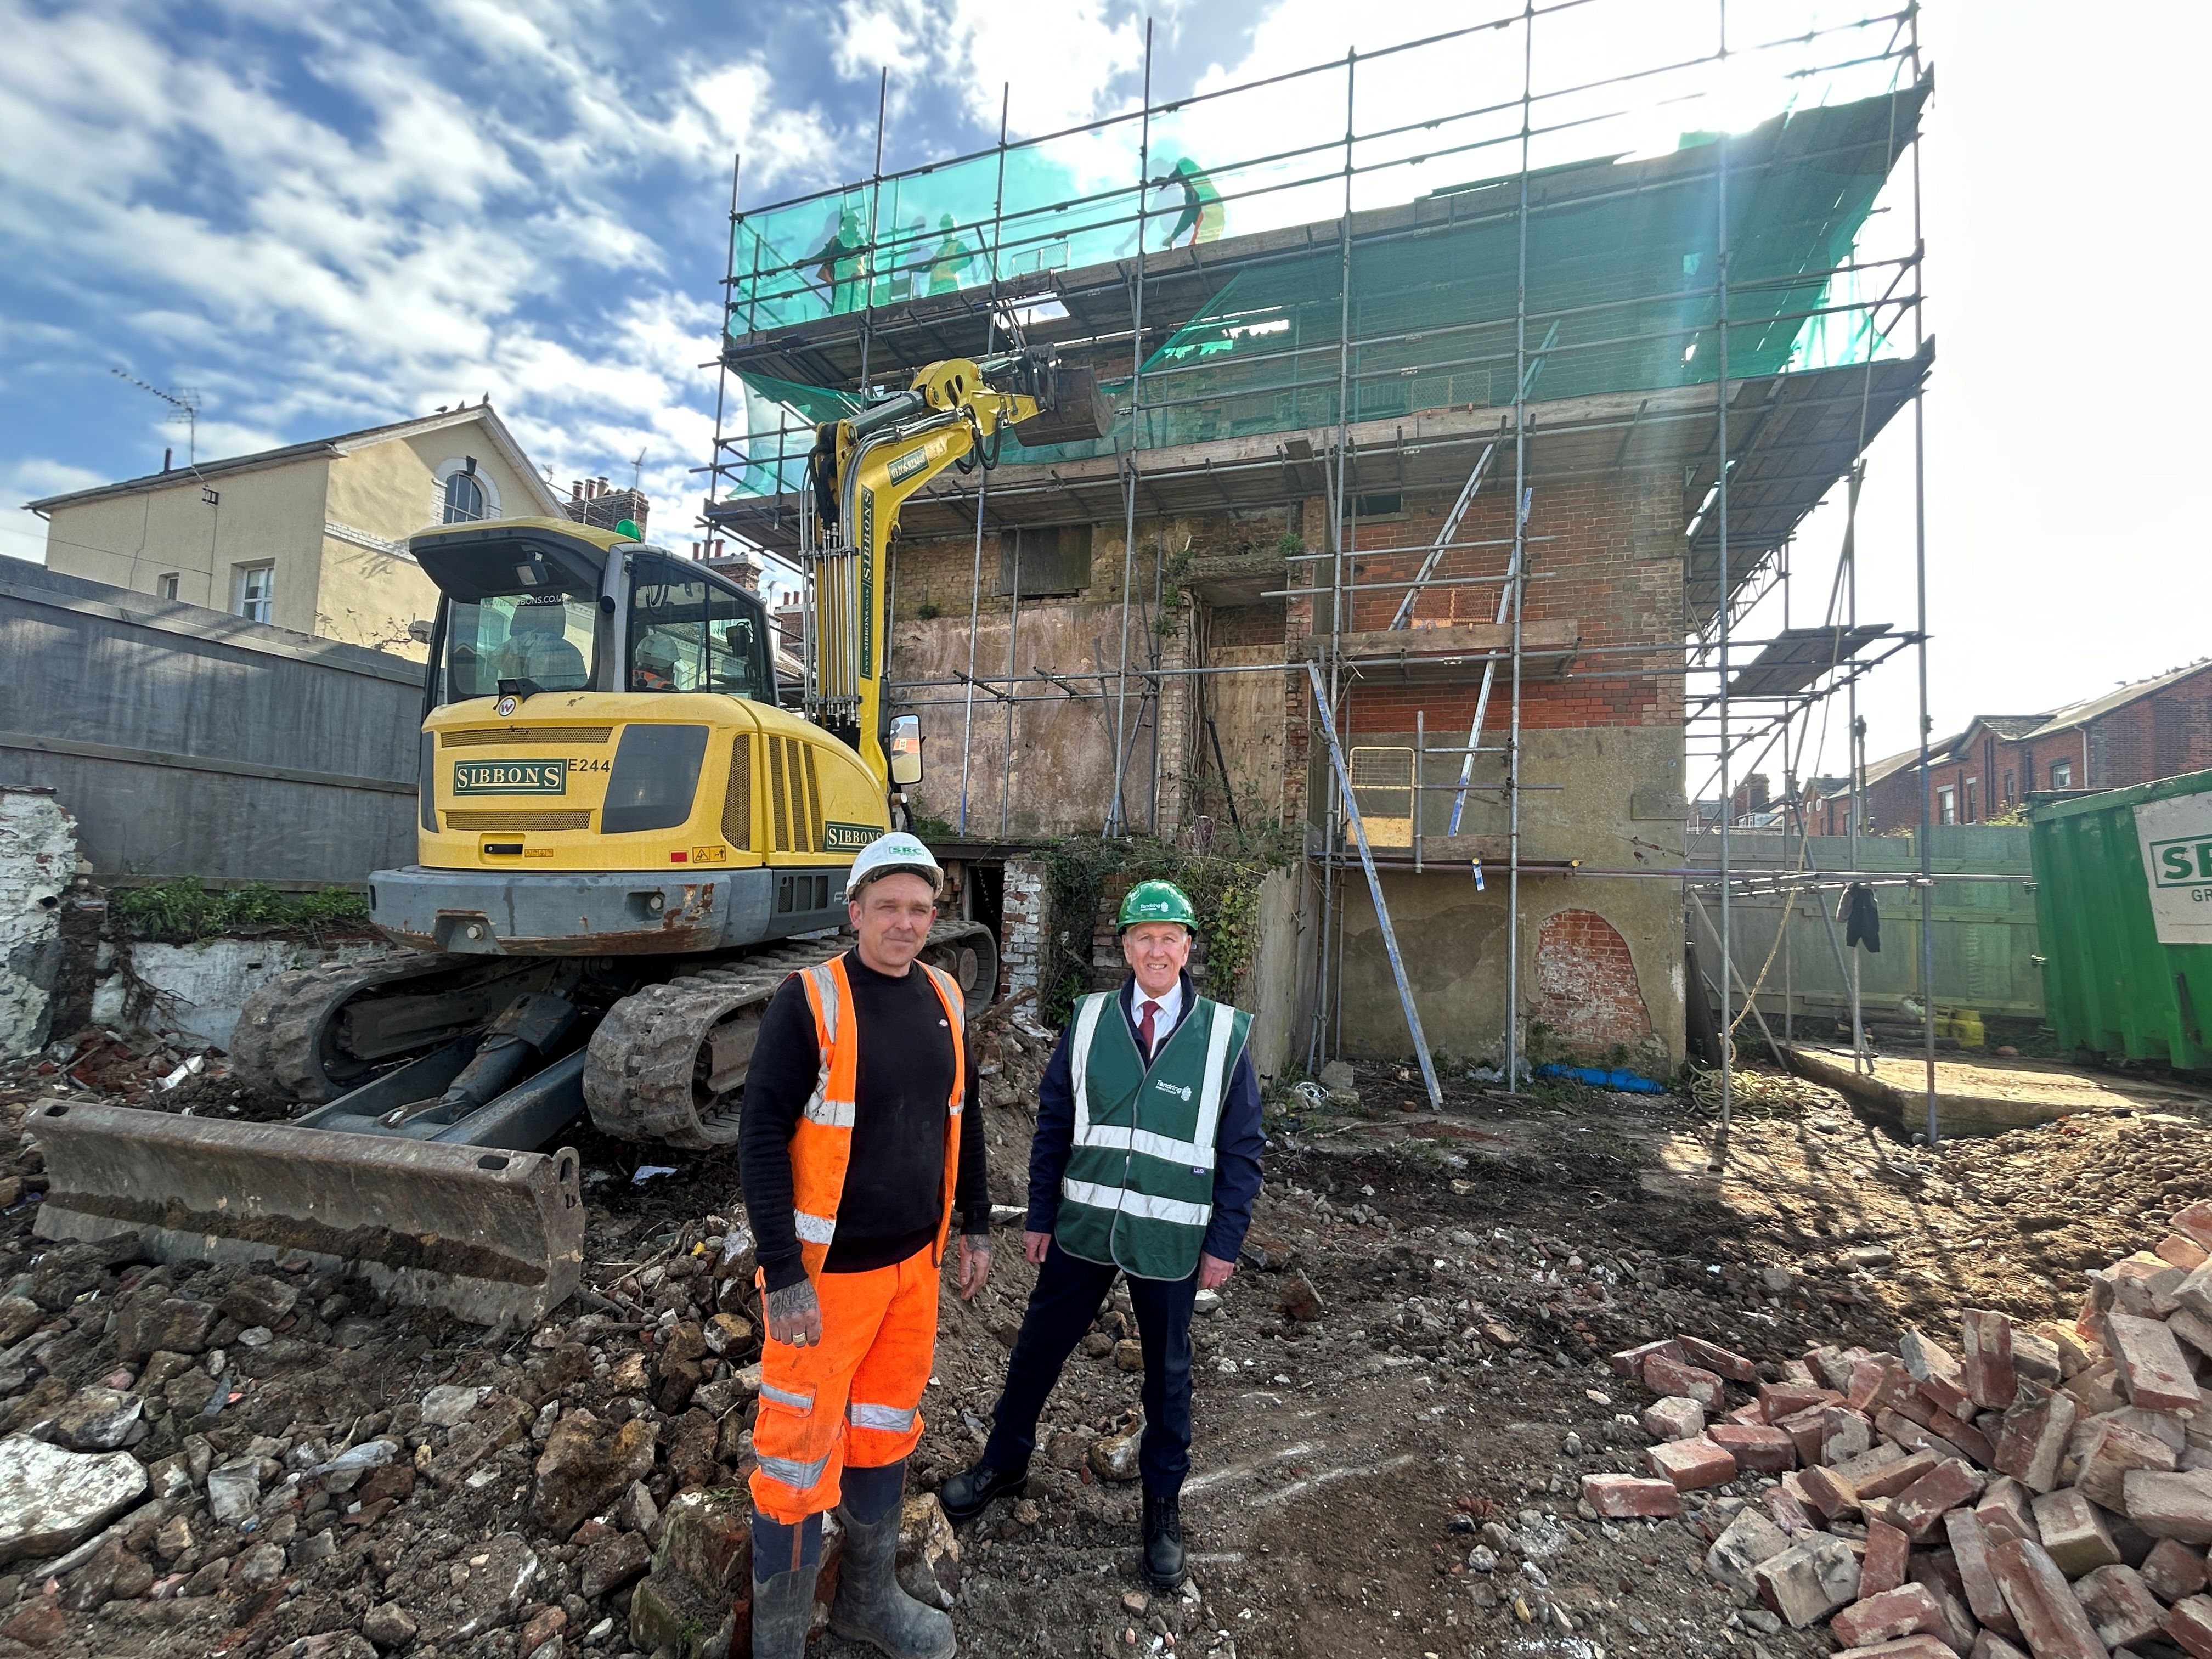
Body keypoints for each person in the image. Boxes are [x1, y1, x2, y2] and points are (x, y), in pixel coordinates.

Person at [940, 879, 1264, 1592]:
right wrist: (1041, 1215)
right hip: (1083, 1231)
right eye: (1142, 938)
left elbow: (1243, 1151)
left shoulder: (1223, 1038)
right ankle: (1004, 1463)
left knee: (1169, 1382)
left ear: (1187, 948)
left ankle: (1161, 1512)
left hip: (1171, 1243)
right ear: (1124, 947)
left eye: (1168, 938)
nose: (1155, 949)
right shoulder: (1087, 1022)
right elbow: (1053, 1122)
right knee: (1035, 1354)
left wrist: (1225, 1242)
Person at [739, 832, 992, 1659]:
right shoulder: (809, 1003)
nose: (905, 923)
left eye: (920, 909)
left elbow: (967, 1119)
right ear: (856, 912)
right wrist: (782, 1270)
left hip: (912, 1273)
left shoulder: (945, 998)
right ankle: (780, 1641)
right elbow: (760, 1139)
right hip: (825, 1284)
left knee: (886, 1432)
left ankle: (865, 1604)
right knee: (795, 1463)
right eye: (888, 906)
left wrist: (977, 1227)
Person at [1151, 158, 1224, 250]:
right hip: (1203, 226)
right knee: (1196, 249)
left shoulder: (1202, 189)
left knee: (1200, 249)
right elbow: (1188, 214)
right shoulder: (1190, 196)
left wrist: (1169, 181)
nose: (1183, 184)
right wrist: (1174, 236)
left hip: (1211, 216)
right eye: (1182, 183)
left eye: (1183, 181)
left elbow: (1184, 166)